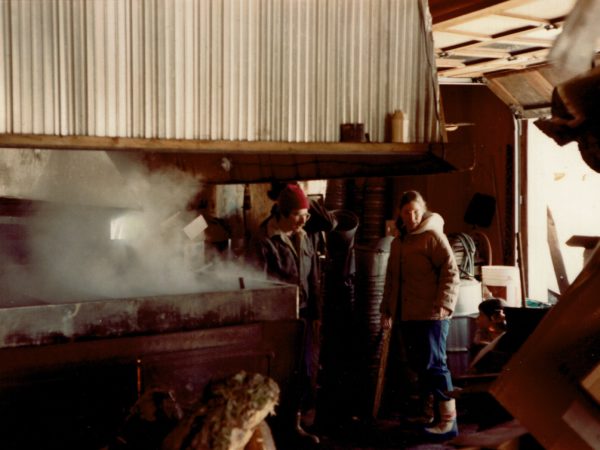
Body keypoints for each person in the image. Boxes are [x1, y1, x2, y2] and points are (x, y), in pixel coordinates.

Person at [380, 190, 460, 441]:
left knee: (436, 366)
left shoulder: (432, 237)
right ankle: (431, 417)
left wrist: (444, 304)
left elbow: (451, 272)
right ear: (400, 215)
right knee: (421, 367)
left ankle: (449, 422)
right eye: (406, 212)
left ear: (423, 210)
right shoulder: (398, 242)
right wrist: (387, 309)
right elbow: (392, 279)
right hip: (408, 314)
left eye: (416, 211)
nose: (412, 216)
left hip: (431, 314)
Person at [250, 183, 322, 444]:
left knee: (303, 371)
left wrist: (316, 314)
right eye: (297, 215)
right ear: (281, 212)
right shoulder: (264, 240)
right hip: (278, 320)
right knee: (279, 374)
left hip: (303, 315)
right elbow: (258, 283)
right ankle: (272, 429)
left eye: (306, 215)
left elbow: (313, 276)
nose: (303, 220)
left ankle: (295, 424)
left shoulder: (305, 235)